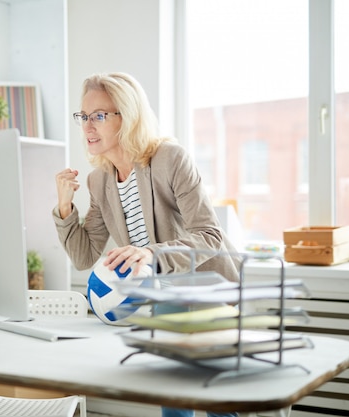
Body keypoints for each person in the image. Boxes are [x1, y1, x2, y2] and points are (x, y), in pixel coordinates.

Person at [52, 72, 240, 417]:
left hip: (206, 289)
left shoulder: (170, 159)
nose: (87, 126)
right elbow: (83, 256)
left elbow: (210, 236)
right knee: (174, 402)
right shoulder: (99, 180)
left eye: (99, 116)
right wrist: (65, 208)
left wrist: (150, 253)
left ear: (128, 115)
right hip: (166, 296)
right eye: (83, 116)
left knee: (216, 404)